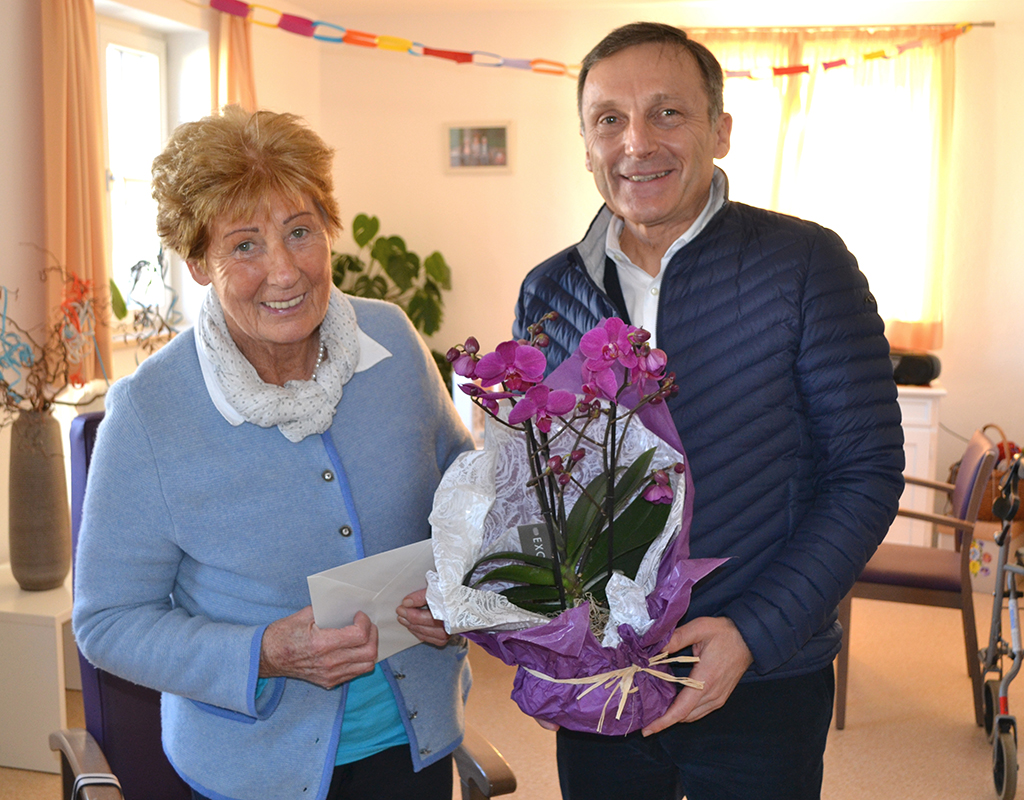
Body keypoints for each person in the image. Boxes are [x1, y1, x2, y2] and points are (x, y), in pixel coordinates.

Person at [514, 22, 905, 800]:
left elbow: (866, 471)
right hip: (604, 678)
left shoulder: (805, 265)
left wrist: (753, 632)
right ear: (586, 145)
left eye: (667, 113)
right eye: (610, 120)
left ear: (720, 130)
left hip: (763, 674)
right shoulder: (548, 291)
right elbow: (542, 481)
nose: (637, 143)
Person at [72, 106, 473, 800]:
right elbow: (107, 622)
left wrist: (458, 589)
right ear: (199, 263)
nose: (284, 271)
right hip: (253, 769)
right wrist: (261, 654)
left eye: (300, 231)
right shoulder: (150, 412)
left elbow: (468, 495)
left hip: (415, 743)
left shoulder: (391, 339)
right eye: (245, 245)